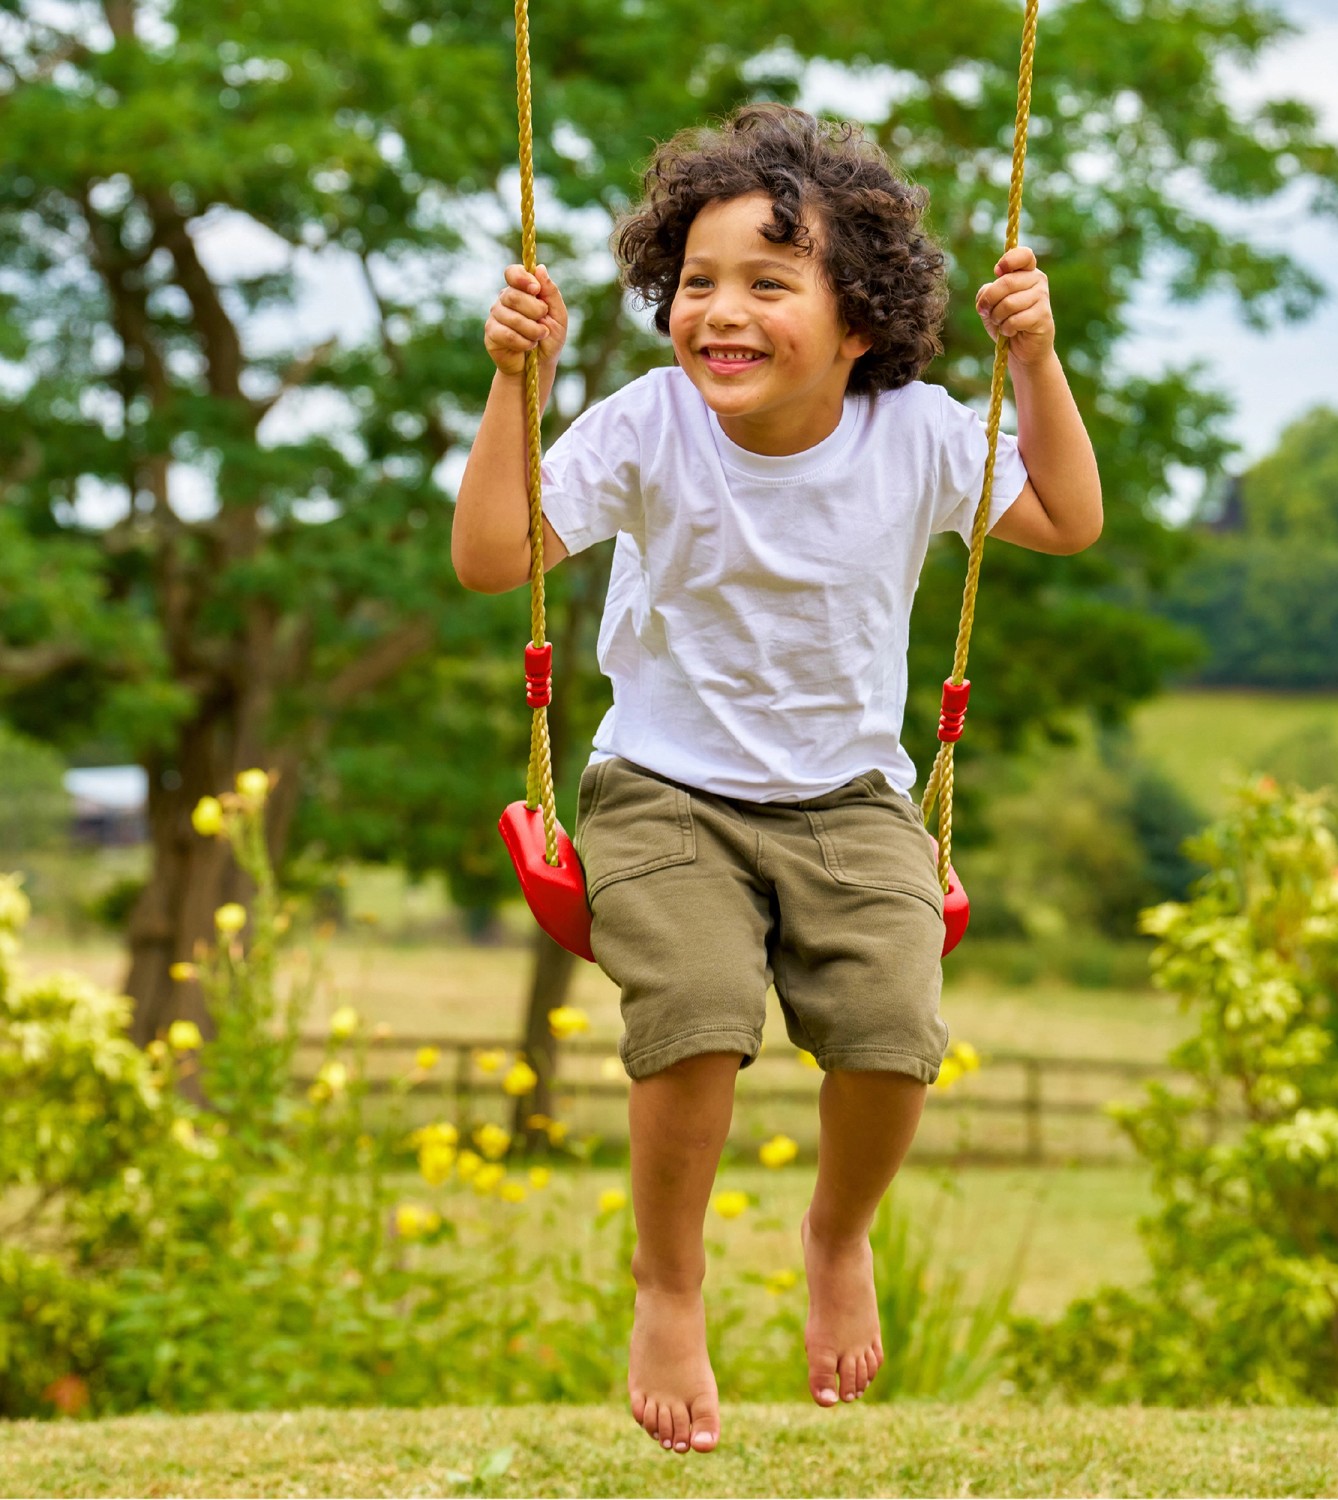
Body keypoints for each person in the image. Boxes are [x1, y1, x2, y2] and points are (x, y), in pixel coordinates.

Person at [453, 102, 1101, 1456]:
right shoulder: (649, 426)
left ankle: (835, 1235)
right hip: (663, 788)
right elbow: (491, 551)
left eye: (765, 282)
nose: (719, 312)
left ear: (857, 318)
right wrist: (513, 385)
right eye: (696, 283)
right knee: (692, 1006)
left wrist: (1032, 360)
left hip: (852, 794)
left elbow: (1065, 517)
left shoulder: (918, 433)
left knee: (891, 1022)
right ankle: (670, 1287)